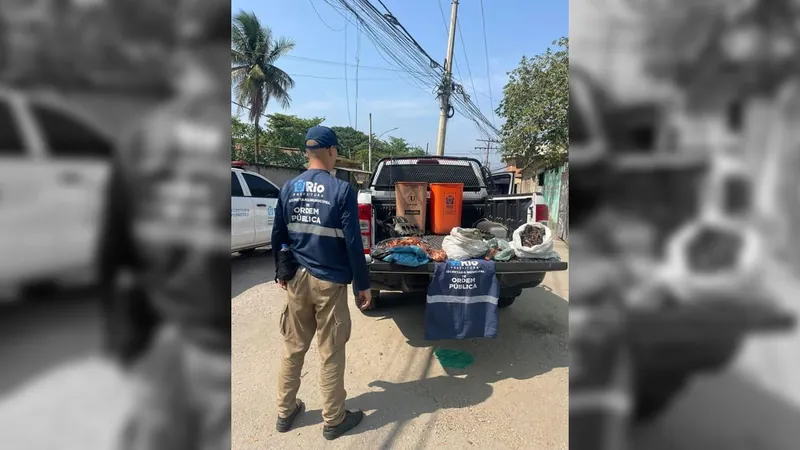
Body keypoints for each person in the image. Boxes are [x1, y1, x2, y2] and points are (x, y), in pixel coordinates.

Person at [97, 1, 231, 449]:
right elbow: (114, 246)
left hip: (164, 334)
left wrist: (125, 338)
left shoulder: (141, 136)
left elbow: (111, 251)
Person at [271, 125, 372, 441]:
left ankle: (285, 412)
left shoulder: (288, 188)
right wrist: (362, 285)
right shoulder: (342, 191)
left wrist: (281, 273)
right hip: (329, 283)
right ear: (331, 152)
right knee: (330, 351)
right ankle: (334, 419)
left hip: (298, 280)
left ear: (307, 152)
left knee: (293, 347)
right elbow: (354, 245)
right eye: (337, 151)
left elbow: (278, 236)